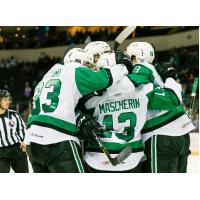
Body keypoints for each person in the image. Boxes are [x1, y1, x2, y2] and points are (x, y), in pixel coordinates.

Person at [25, 48, 132, 173]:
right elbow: (105, 79)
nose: (89, 68)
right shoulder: (75, 70)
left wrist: (78, 115)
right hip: (58, 139)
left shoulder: (47, 75)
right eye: (87, 64)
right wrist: (123, 65)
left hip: (32, 141)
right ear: (80, 61)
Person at [77, 52, 182, 173]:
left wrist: (81, 116)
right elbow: (173, 100)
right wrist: (168, 76)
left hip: (97, 158)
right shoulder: (143, 90)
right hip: (133, 157)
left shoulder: (90, 96)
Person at [126, 42, 194, 172]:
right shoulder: (158, 71)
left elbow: (169, 99)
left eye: (130, 56)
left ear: (137, 56)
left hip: (160, 134)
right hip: (182, 134)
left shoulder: (140, 68)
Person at [0, 90, 28, 173]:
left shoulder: (14, 115)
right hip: (1, 152)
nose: (8, 102)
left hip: (17, 149)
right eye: (5, 99)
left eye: (8, 99)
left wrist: (24, 142)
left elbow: (22, 129)